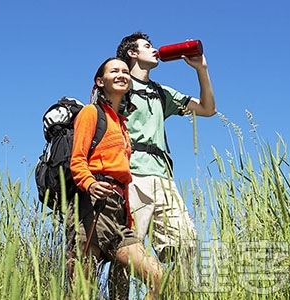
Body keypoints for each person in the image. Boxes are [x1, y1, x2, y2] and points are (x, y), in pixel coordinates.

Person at [115, 32, 216, 291]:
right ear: (132, 53)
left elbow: (207, 109)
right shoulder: (120, 85)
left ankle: (172, 294)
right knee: (128, 251)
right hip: (131, 175)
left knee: (187, 241)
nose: (154, 49)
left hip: (163, 178)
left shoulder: (161, 93)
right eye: (147, 46)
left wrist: (201, 70)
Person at [66, 57, 166, 300]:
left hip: (118, 213)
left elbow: (124, 178)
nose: (122, 74)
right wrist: (90, 184)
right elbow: (77, 160)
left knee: (158, 278)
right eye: (114, 71)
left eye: (125, 71)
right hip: (91, 208)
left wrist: (127, 214)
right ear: (100, 81)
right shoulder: (91, 113)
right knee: (82, 291)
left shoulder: (122, 124)